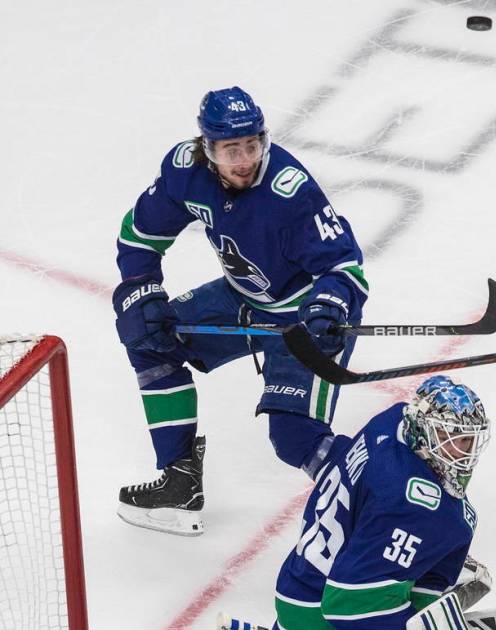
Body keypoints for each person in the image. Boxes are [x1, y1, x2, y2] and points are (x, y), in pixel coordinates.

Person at [113, 86, 368, 536]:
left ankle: (379, 507)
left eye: (252, 145)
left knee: (294, 438)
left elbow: (344, 268)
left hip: (303, 315)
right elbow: (139, 236)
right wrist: (141, 290)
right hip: (243, 299)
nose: (245, 159)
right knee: (152, 342)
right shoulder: (184, 172)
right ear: (207, 149)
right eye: (232, 149)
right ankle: (179, 482)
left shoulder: (290, 191)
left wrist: (328, 306)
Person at [272, 375, 492, 629]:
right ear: (422, 430)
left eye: (467, 439)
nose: (462, 450)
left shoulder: (395, 421)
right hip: (317, 610)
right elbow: (347, 606)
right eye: (448, 437)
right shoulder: (407, 503)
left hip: (302, 579)